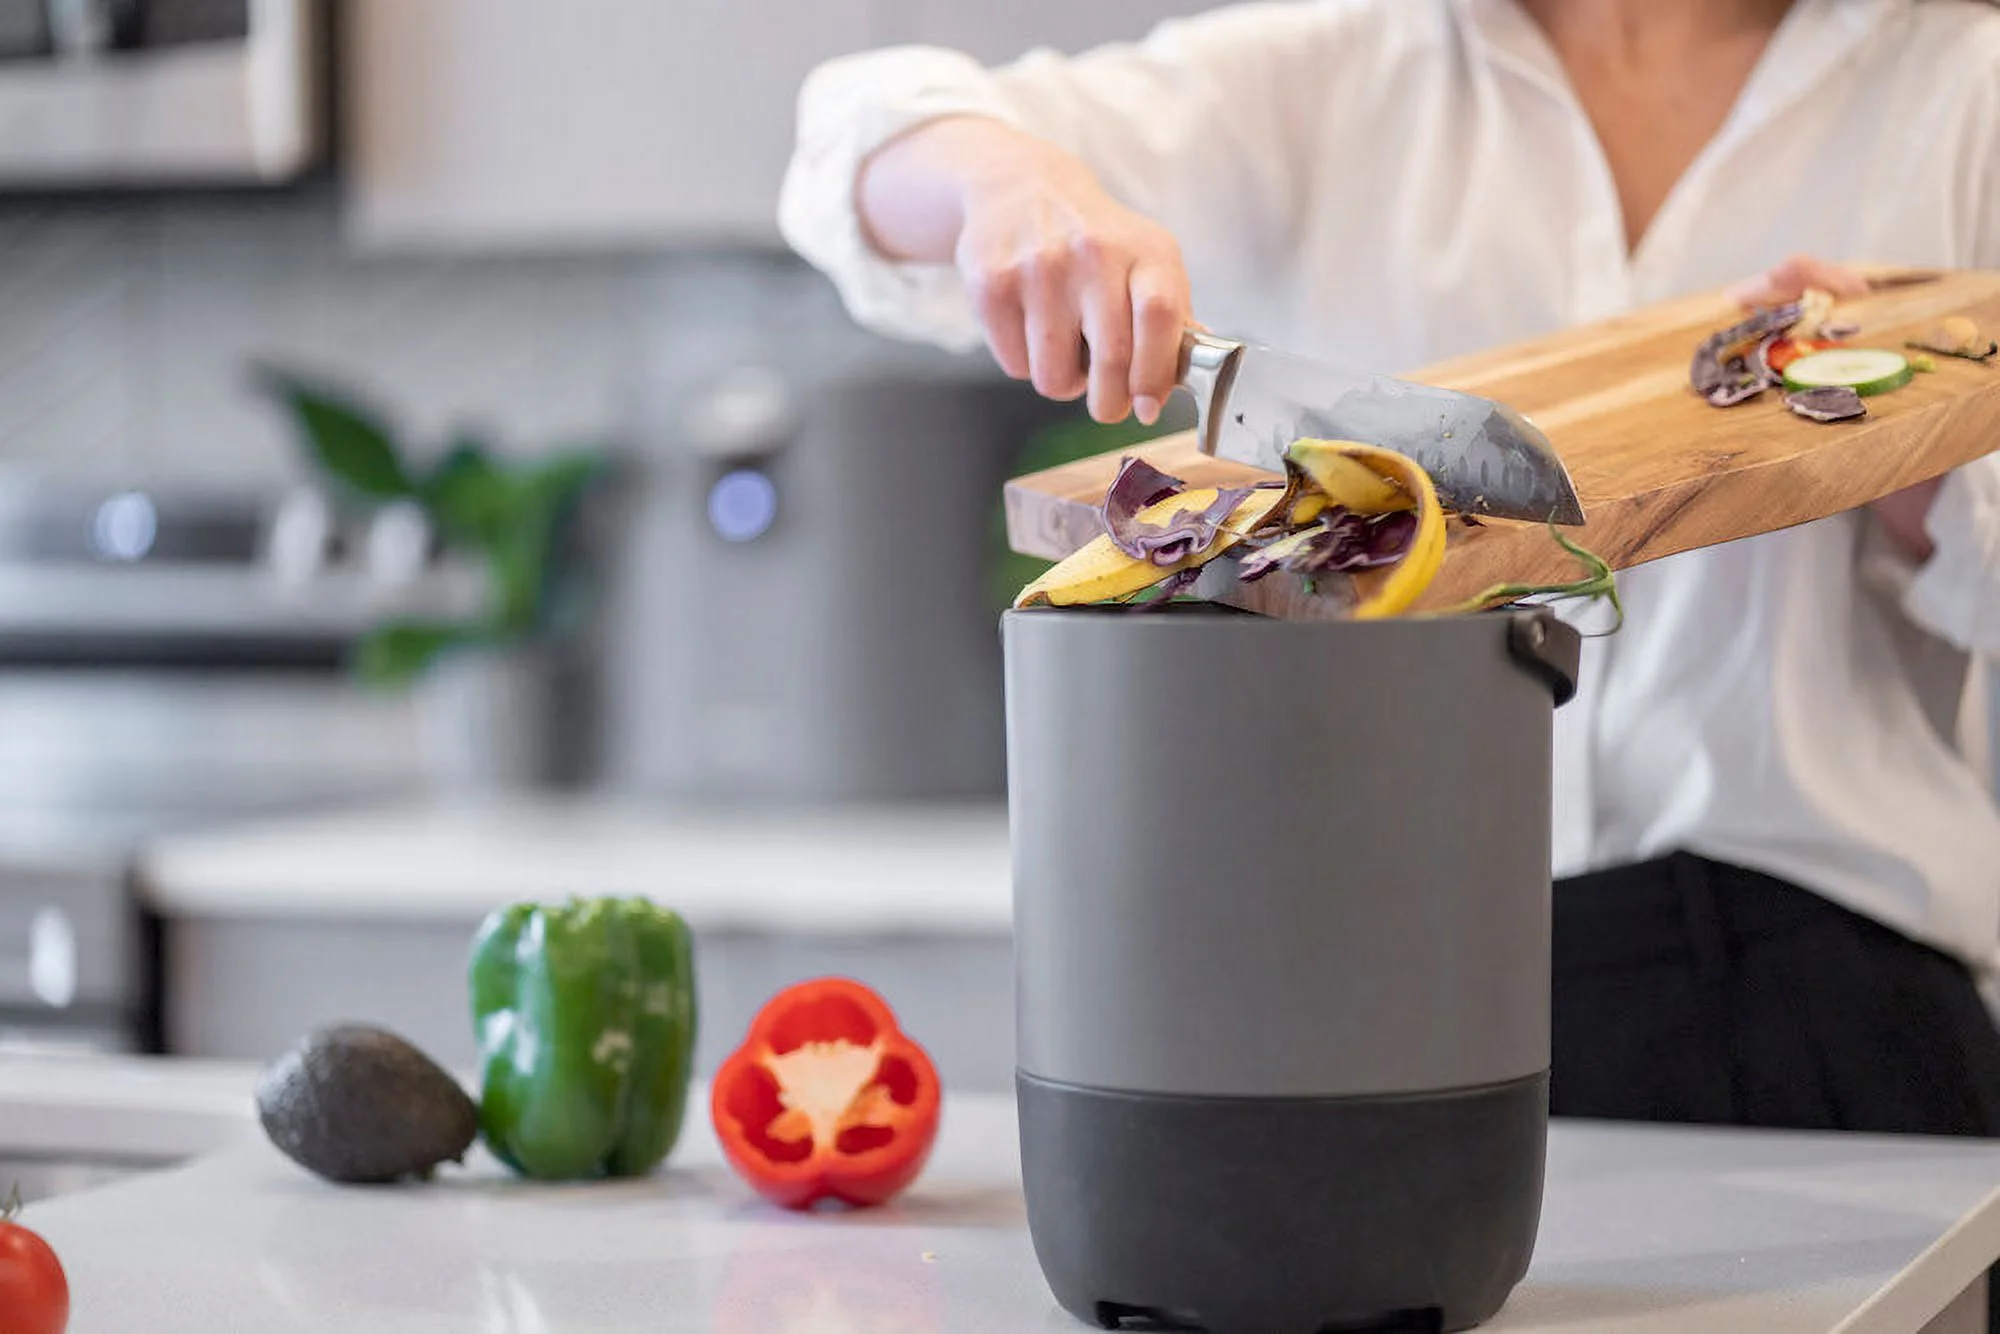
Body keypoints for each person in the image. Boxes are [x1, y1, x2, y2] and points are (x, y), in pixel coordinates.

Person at [776, 0, 2000, 1140]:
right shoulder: (1331, 66)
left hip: (1823, 1001)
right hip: (1362, 999)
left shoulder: (1961, 88)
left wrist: (1912, 464)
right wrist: (1008, 185)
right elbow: (856, 132)